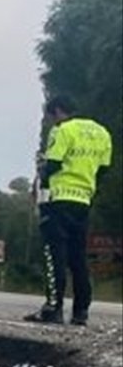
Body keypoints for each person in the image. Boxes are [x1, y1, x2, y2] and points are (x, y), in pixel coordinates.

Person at [25, 95, 113, 326]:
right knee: (78, 257)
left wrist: (41, 178)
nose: (50, 122)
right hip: (83, 201)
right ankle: (81, 311)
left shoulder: (63, 130)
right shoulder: (102, 133)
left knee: (55, 256)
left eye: (50, 116)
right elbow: (103, 169)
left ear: (57, 111)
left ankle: (53, 308)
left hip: (58, 200)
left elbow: (53, 164)